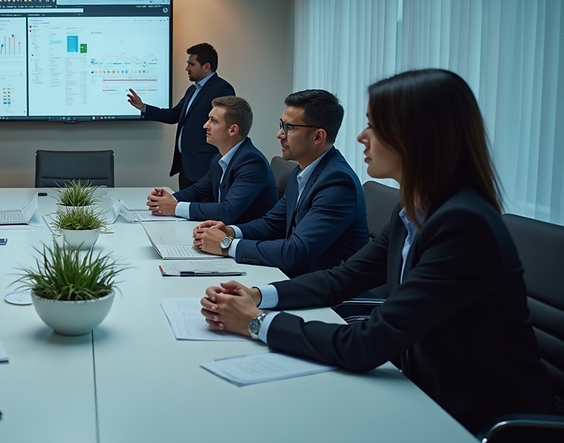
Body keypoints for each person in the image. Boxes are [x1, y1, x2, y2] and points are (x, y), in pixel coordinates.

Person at [199, 69, 555, 434]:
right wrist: (258, 294)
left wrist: (256, 321)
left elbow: (366, 345)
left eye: (374, 125)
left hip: (473, 418)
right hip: (420, 387)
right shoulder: (415, 210)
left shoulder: (463, 226)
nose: (360, 136)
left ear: (419, 137)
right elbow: (343, 278)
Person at [192, 89, 368, 277]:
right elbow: (271, 224)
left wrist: (225, 245)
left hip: (327, 295)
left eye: (289, 128)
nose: (279, 134)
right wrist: (230, 231)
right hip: (296, 279)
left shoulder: (338, 183)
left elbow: (296, 252)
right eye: (281, 125)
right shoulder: (302, 171)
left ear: (318, 136)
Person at [146, 96, 277, 224]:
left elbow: (228, 211)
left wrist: (175, 207)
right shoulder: (219, 157)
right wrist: (169, 199)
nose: (205, 125)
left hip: (249, 239)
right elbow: (198, 191)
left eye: (213, 121)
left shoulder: (252, 162)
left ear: (232, 130)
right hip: (222, 232)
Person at [127, 42, 235, 190]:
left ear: (206, 66)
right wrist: (143, 107)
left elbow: (224, 125)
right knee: (183, 209)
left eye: (191, 64)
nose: (187, 68)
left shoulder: (222, 88)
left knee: (199, 210)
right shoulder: (193, 90)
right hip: (186, 166)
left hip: (204, 166)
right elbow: (174, 115)